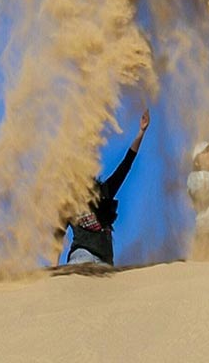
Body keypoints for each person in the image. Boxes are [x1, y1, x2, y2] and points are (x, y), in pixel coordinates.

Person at [59, 109, 150, 266]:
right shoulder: (69, 200)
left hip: (105, 263)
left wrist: (141, 133)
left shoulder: (103, 191)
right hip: (82, 257)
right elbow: (58, 234)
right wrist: (53, 272)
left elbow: (125, 166)